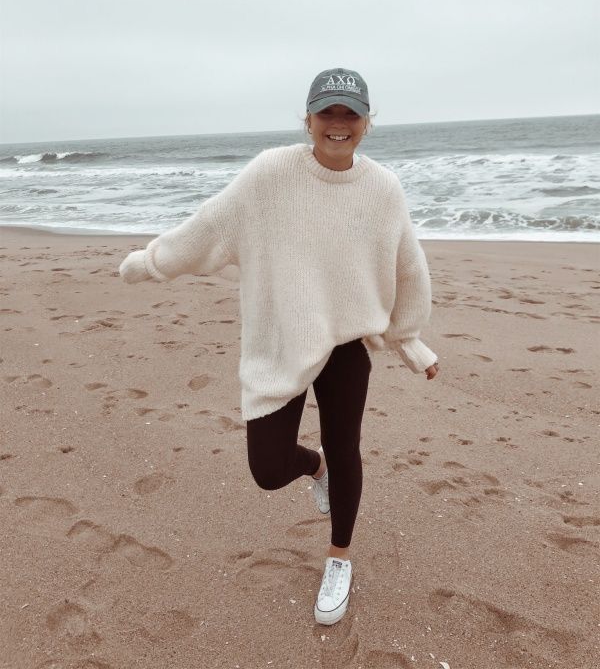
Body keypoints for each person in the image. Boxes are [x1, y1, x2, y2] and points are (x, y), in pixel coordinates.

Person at [118, 66, 439, 626]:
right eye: (327, 113)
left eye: (350, 114)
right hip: (279, 338)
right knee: (268, 468)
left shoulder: (383, 188)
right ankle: (314, 471)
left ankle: (339, 557)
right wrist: (150, 263)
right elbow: (210, 227)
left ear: (367, 122)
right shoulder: (270, 174)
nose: (338, 125)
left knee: (348, 448)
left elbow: (407, 265)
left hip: (345, 345)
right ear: (308, 118)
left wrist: (409, 340)